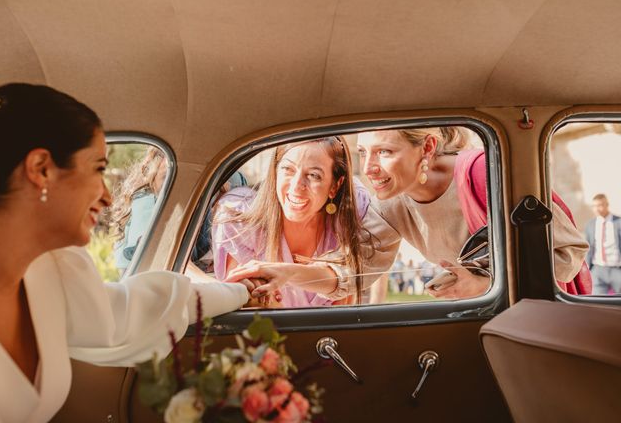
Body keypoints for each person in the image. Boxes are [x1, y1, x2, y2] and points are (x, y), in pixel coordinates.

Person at [0, 83, 248, 423]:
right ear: (41, 168)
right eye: (97, 169)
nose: (108, 197)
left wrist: (241, 290)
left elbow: (135, 311)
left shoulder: (52, 270)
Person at [356, 127, 590, 299]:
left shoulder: (485, 173)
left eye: (384, 151)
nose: (368, 168)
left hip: (531, 322)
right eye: (361, 153)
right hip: (481, 318)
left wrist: (484, 284)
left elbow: (568, 256)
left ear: (427, 147)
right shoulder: (390, 203)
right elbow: (350, 274)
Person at [214, 137, 370, 307]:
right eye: (288, 169)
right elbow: (245, 306)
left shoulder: (349, 215)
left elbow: (342, 307)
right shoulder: (240, 219)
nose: (296, 186)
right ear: (275, 171)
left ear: (334, 186)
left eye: (314, 175)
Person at [110, 146, 168, 273]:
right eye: (166, 177)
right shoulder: (146, 202)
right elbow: (151, 255)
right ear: (152, 176)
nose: (173, 183)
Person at [584, 193, 621, 294]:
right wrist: (589, 269)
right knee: (598, 303)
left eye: (600, 205)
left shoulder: (619, 222)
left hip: (617, 269)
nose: (597, 209)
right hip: (597, 270)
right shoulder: (590, 225)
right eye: (594, 206)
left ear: (607, 205)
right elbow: (588, 248)